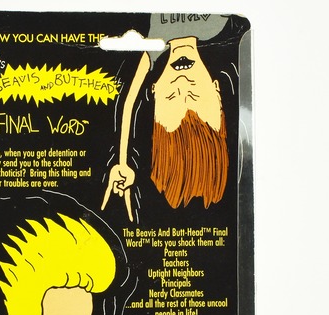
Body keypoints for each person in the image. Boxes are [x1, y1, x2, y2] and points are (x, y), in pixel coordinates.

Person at [101, 15, 249, 220]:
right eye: (195, 95)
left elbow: (129, 102)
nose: (182, 85)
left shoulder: (152, 52)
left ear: (154, 90)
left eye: (171, 96)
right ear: (216, 89)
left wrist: (122, 162)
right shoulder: (226, 26)